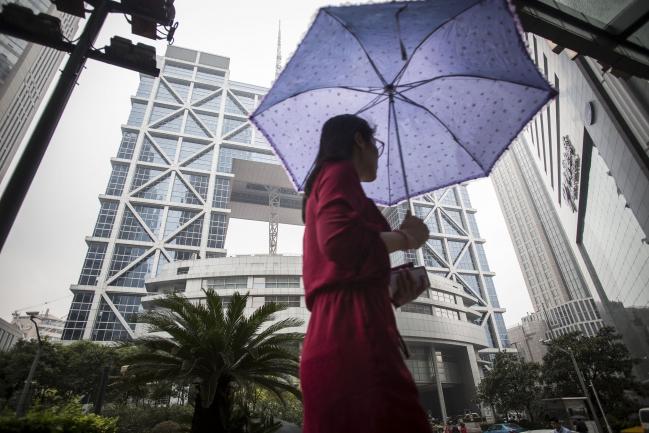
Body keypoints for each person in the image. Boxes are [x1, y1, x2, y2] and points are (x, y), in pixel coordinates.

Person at [300, 114, 430, 433]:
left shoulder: (327, 185)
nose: (377, 153)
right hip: (355, 332)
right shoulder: (339, 172)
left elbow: (343, 264)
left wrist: (389, 289)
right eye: (376, 144)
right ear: (359, 139)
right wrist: (408, 238)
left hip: (335, 330)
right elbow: (342, 243)